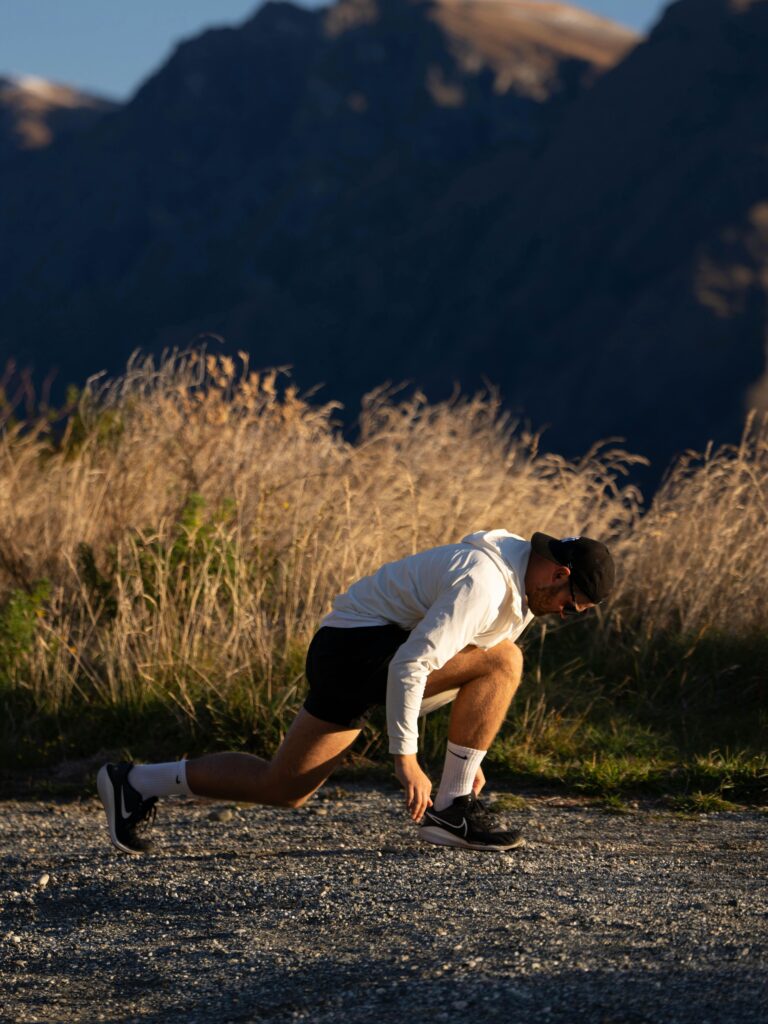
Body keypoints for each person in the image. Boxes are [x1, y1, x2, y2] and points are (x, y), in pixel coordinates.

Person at [97, 530, 614, 854]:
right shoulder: (484, 582)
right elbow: (414, 663)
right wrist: (406, 759)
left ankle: (134, 782)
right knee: (507, 658)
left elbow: (455, 668)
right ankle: (453, 811)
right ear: (559, 574)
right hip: (358, 650)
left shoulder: (522, 589)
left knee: (284, 787)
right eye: (570, 605)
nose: (564, 615)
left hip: (350, 651)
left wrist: (470, 754)